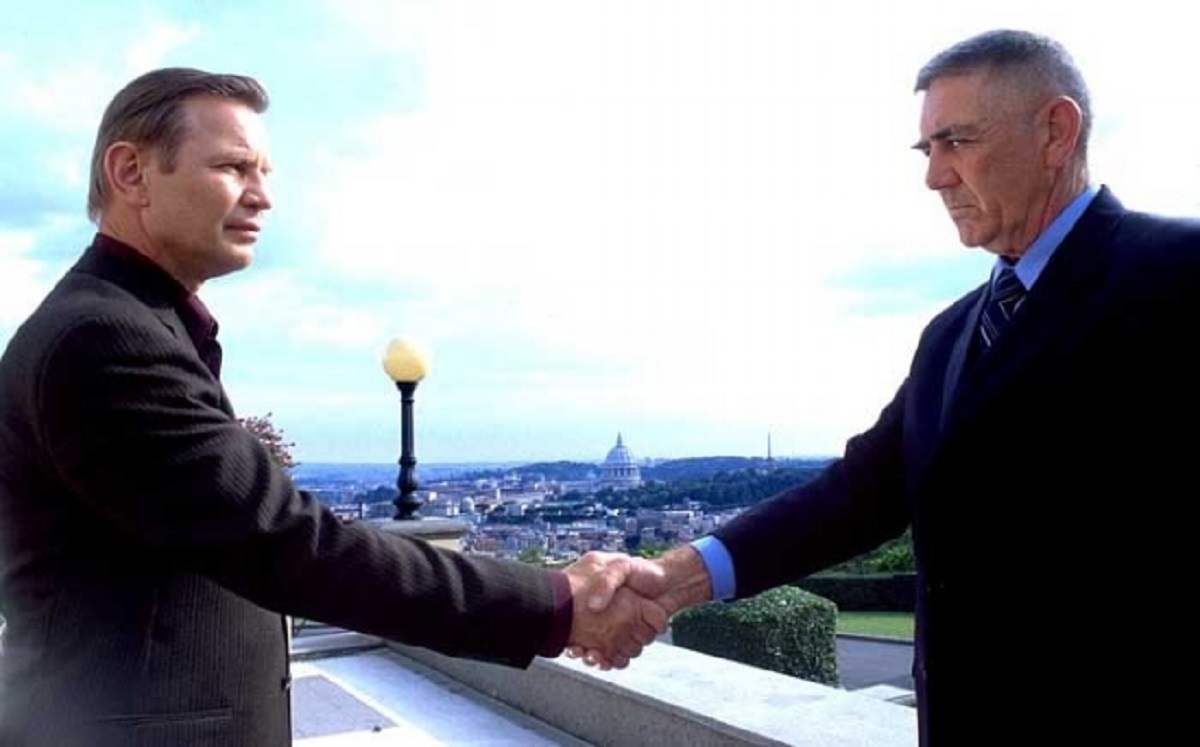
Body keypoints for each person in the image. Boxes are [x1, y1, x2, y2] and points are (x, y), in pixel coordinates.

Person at [0, 68, 665, 747]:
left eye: (264, 171)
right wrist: (555, 603)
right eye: (233, 167)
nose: (262, 197)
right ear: (131, 172)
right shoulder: (106, 338)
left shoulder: (123, 320)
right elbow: (288, 543)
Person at [582, 28, 1200, 745]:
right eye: (927, 149)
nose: (934, 175)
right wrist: (675, 576)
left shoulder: (1178, 277)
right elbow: (857, 496)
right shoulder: (951, 333)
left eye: (957, 141)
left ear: (1056, 132)